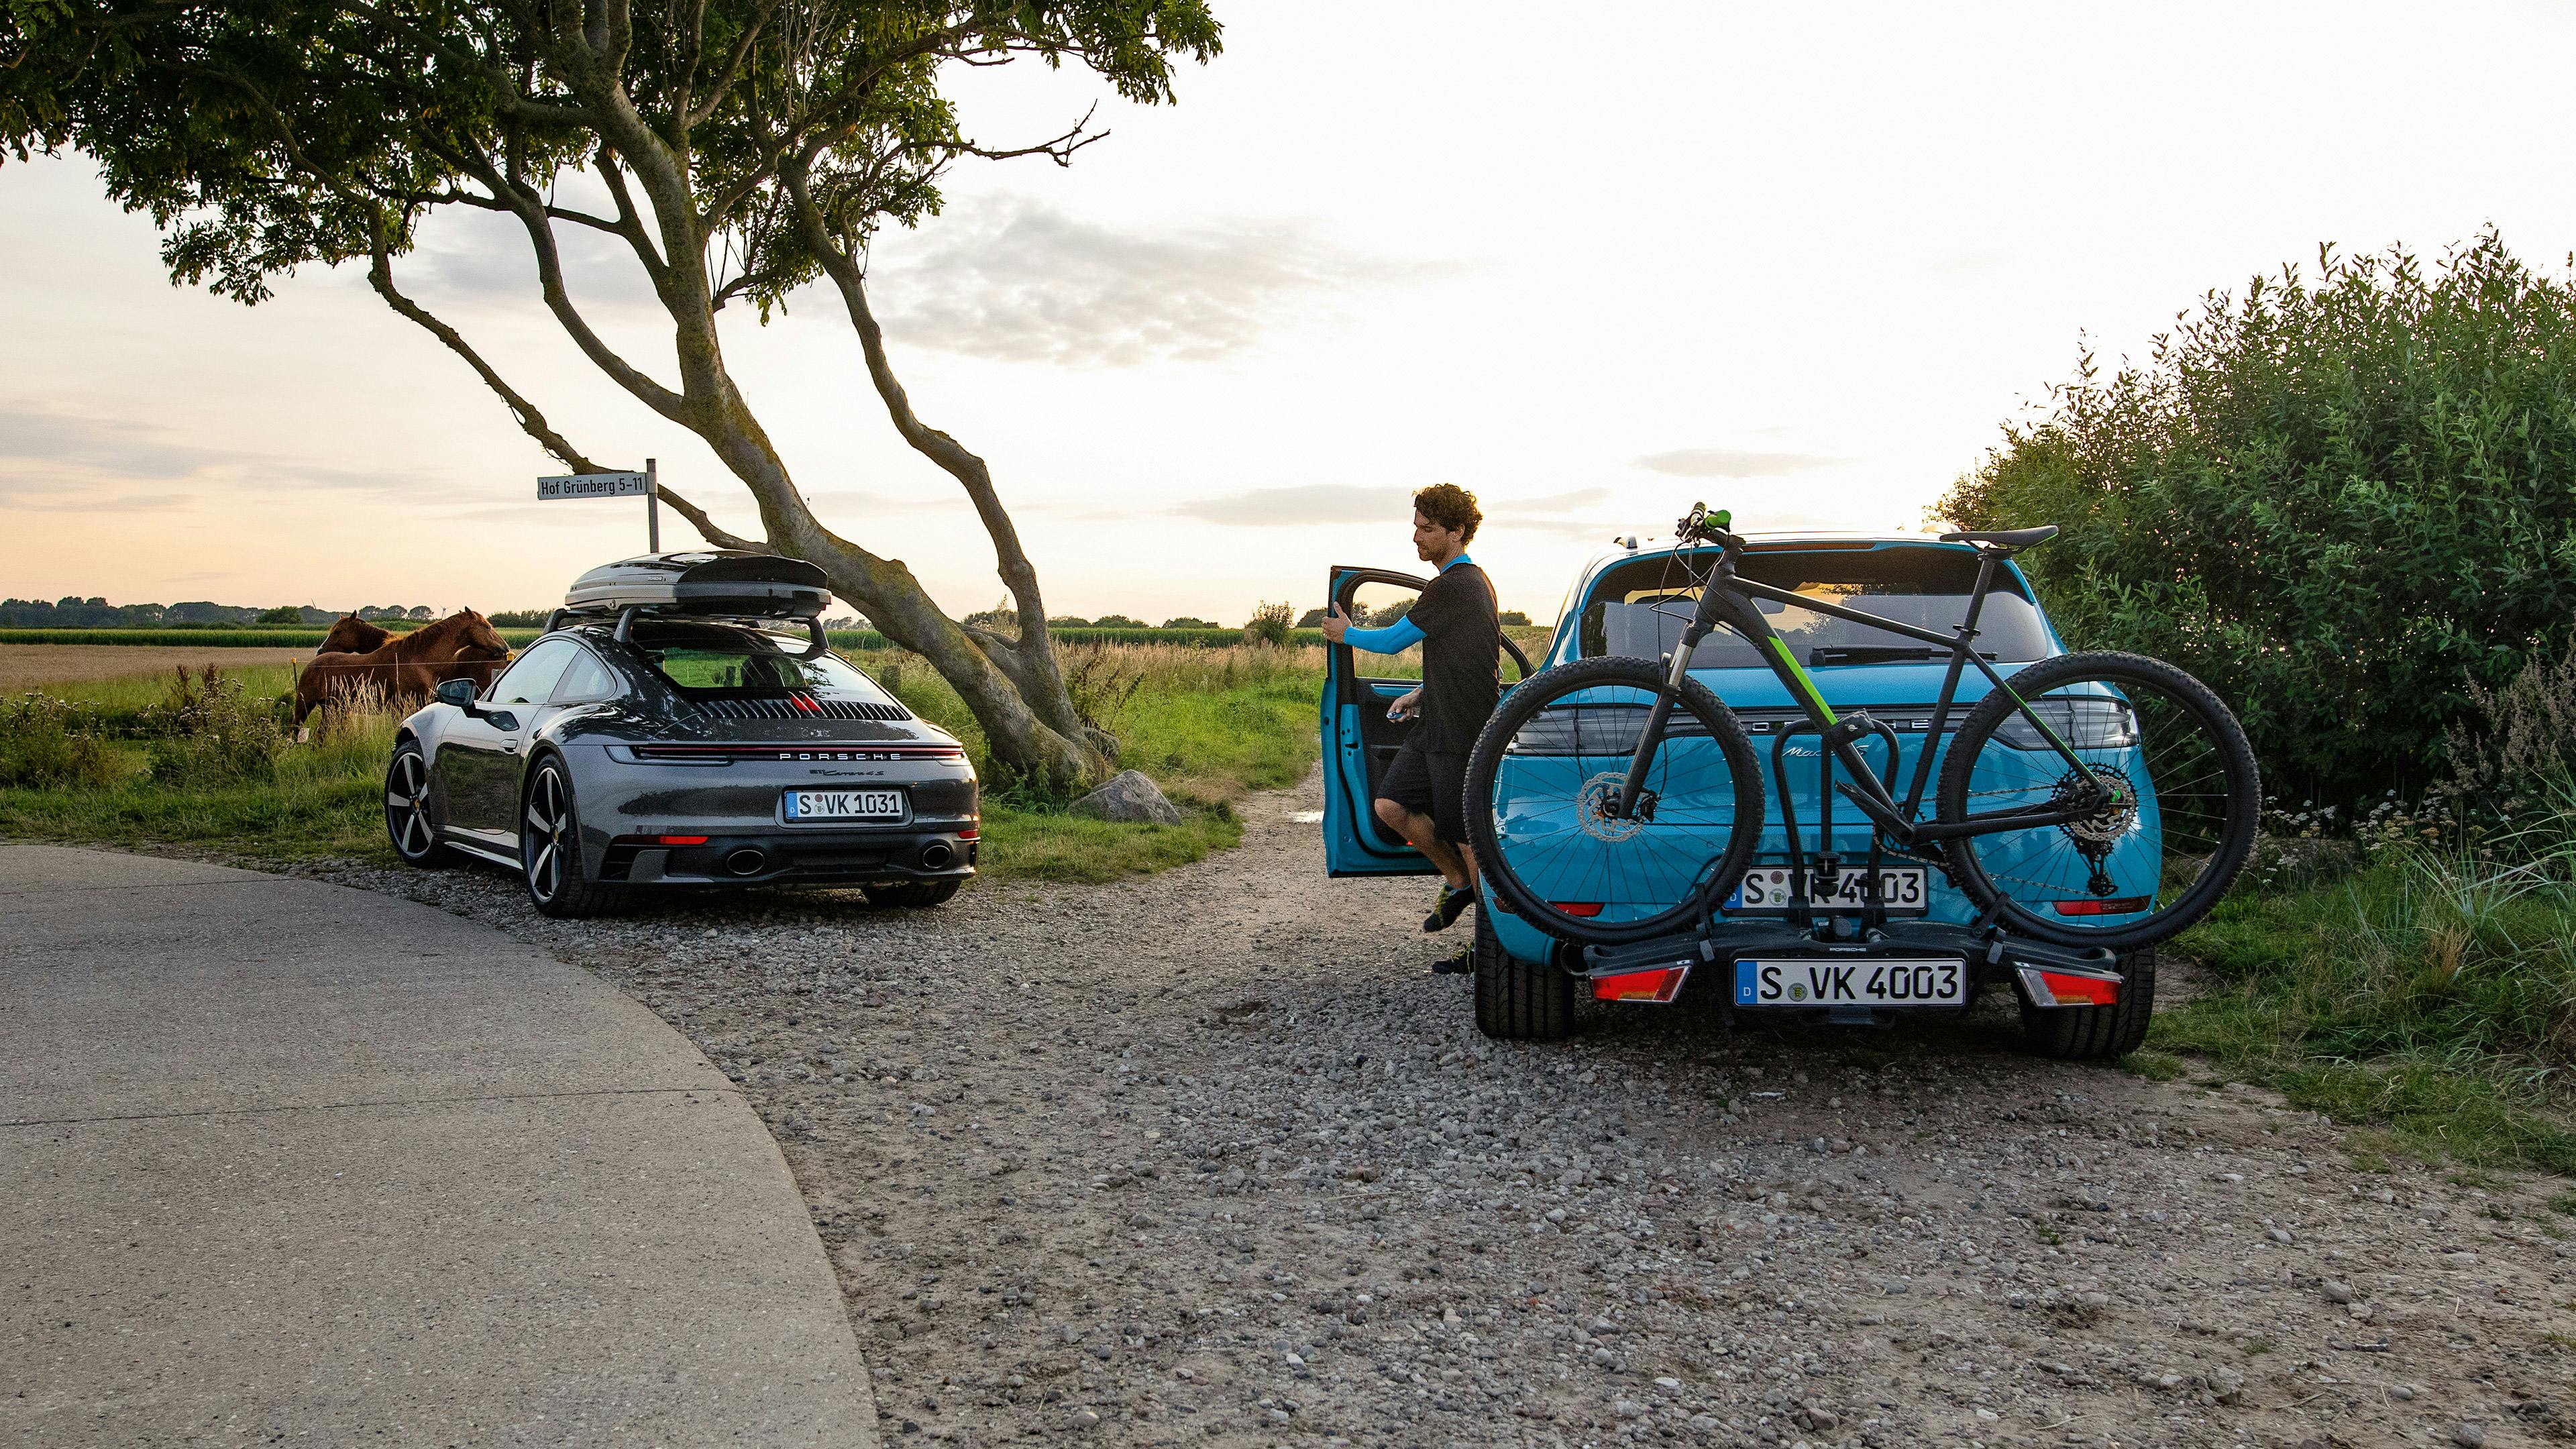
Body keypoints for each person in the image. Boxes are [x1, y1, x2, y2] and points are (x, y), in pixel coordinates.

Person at [1322, 484, 1503, 972]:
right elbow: (1467, 655)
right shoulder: (1462, 585)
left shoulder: (1457, 584)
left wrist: (1346, 633)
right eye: (1416, 527)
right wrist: (1423, 692)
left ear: (1457, 532)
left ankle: (1491, 949)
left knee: (1471, 843)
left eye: (1428, 529)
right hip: (1435, 726)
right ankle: (1458, 884)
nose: (1417, 538)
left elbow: (1392, 641)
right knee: (1389, 806)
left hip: (1461, 733)